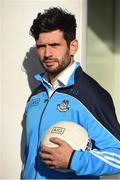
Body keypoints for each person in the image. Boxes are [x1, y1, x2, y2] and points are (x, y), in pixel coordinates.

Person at [22, 7, 120, 179]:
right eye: (41, 46)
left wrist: (74, 159)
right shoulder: (36, 96)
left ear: (72, 46)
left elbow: (117, 156)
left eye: (54, 45)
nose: (47, 54)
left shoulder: (91, 95)